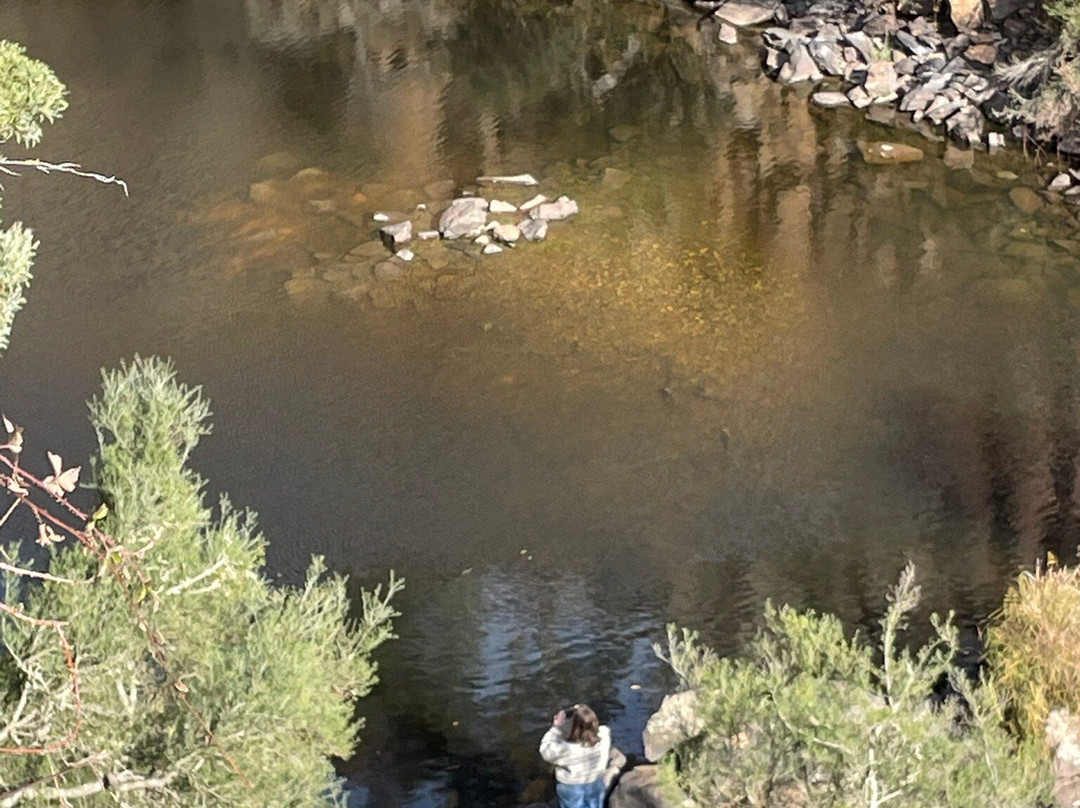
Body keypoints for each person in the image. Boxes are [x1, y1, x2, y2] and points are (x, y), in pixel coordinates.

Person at [538, 703, 611, 808]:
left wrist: (556, 728)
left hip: (571, 785)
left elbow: (545, 750)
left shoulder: (566, 749)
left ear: (572, 727)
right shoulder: (604, 734)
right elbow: (592, 727)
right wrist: (581, 712)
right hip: (596, 780)